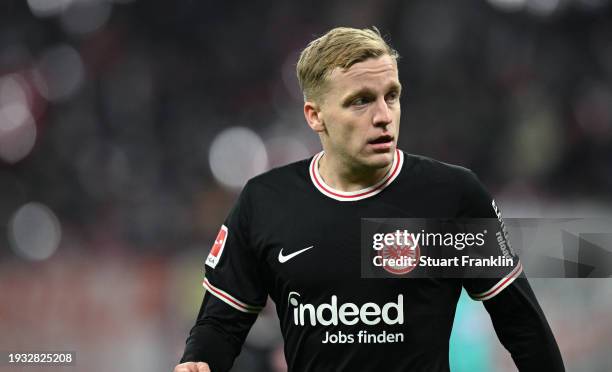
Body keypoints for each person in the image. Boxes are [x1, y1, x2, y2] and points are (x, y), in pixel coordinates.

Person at [174, 27, 564, 372]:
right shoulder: (265, 203)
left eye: (391, 96)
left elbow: (521, 323)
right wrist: (197, 360)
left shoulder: (451, 197)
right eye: (360, 101)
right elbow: (222, 324)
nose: (383, 115)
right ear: (315, 115)